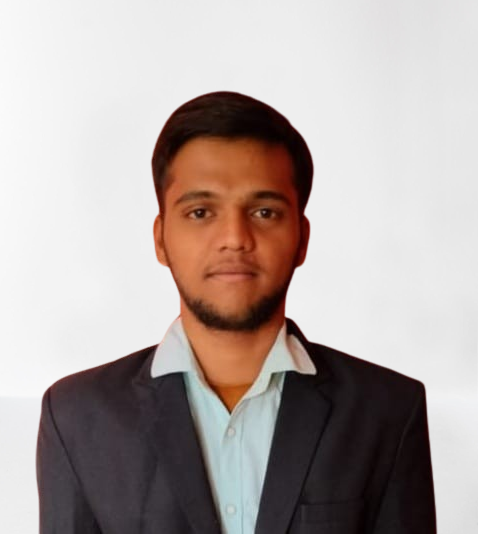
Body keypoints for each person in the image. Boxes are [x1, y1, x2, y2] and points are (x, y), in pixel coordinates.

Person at [36, 91, 436, 534]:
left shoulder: (386, 411)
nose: (235, 237)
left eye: (264, 211)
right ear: (161, 238)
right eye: (200, 212)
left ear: (302, 239)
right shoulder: (77, 417)